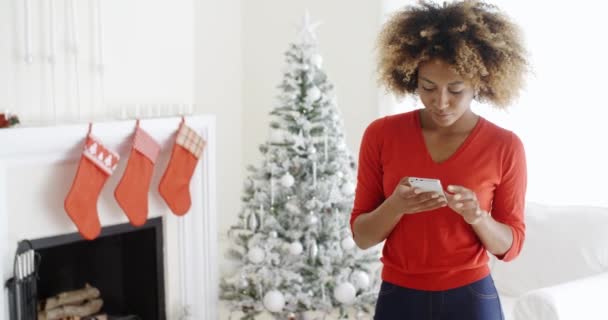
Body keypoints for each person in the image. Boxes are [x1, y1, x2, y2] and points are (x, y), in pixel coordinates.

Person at [350, 1, 528, 319]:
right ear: (411, 78)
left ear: (480, 84)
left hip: (472, 298)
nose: (440, 102)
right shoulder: (381, 135)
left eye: (456, 89)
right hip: (399, 297)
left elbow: (510, 247)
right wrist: (396, 206)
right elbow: (362, 237)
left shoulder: (505, 146)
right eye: (427, 87)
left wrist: (478, 216)